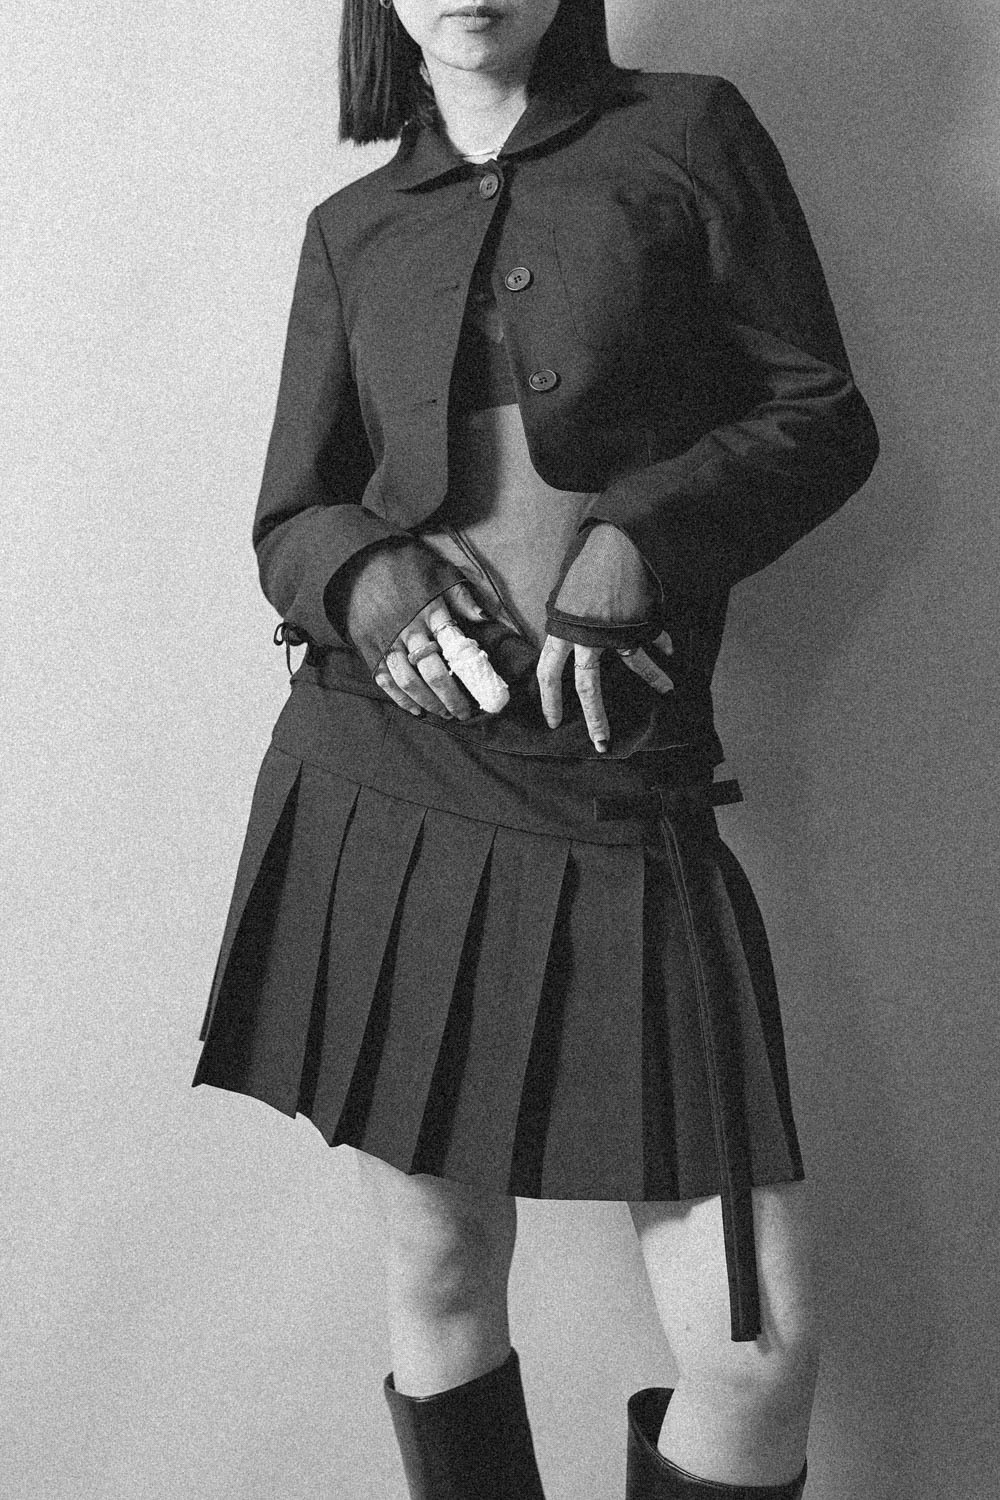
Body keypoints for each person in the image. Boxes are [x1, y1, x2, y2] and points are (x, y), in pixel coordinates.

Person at [192, 2, 879, 1496]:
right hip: (385, 780)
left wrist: (644, 537)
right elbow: (291, 513)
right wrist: (364, 578)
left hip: (622, 793)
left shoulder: (689, 134)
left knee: (755, 1354)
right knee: (441, 1264)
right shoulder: (352, 228)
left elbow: (822, 416)